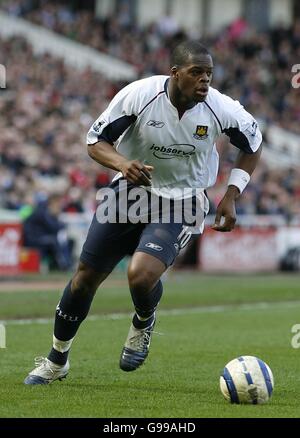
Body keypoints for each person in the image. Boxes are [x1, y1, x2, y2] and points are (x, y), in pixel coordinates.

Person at [24, 40, 262, 384]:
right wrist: (122, 163)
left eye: (209, 74)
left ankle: (143, 321)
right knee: (85, 278)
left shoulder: (222, 109)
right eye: (196, 73)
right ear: (175, 73)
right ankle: (56, 360)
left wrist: (232, 194)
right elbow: (95, 141)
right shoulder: (138, 95)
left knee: (140, 273)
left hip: (183, 199)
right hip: (129, 191)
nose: (205, 81)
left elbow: (253, 146)